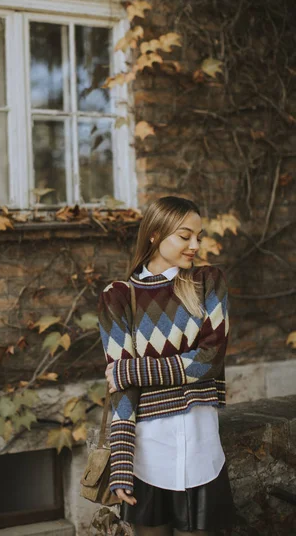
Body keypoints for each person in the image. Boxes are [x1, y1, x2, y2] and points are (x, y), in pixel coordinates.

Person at [98, 196, 235, 536]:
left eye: (198, 236)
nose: (195, 245)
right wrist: (121, 463)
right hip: (148, 455)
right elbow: (124, 394)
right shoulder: (119, 296)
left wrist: (131, 371)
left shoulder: (207, 282)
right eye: (185, 235)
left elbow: (210, 361)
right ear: (155, 235)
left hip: (203, 451)